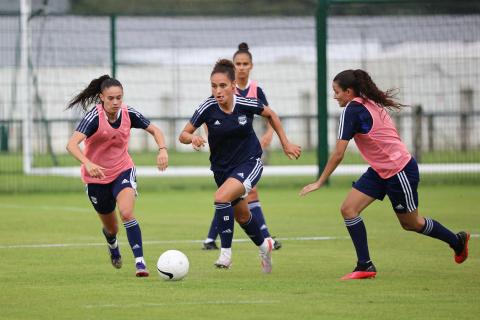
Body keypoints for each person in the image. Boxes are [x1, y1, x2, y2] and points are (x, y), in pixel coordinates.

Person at [300, 69, 470, 280]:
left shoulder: (351, 111)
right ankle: (365, 265)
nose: (334, 96)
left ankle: (457, 241)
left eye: (336, 91)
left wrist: (320, 181)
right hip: (381, 169)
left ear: (349, 91)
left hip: (399, 171)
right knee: (348, 209)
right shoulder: (368, 102)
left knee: (411, 223)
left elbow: (338, 153)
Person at [179, 59, 301, 273]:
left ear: (233, 86)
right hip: (221, 170)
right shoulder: (207, 107)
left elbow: (270, 114)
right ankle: (265, 247)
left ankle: (226, 254)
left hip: (250, 162)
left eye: (223, 85)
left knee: (220, 198)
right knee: (243, 216)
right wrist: (193, 138)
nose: (218, 90)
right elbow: (183, 134)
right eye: (214, 86)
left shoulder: (246, 103)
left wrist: (285, 143)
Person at [66, 75, 169, 277]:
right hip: (95, 179)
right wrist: (88, 163)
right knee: (112, 228)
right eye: (111, 98)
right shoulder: (93, 118)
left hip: (122, 170)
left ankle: (140, 263)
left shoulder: (128, 113)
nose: (115, 102)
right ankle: (112, 244)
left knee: (127, 213)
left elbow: (155, 129)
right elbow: (71, 145)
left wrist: (162, 149)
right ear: (101, 98)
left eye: (119, 98)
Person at [202, 42, 281, 251]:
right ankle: (261, 240)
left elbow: (269, 114)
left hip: (246, 154)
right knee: (229, 199)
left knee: (229, 195)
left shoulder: (255, 91)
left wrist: (270, 133)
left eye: (245, 63)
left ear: (251, 66)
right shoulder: (220, 90)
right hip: (224, 157)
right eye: (238, 63)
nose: (242, 67)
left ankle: (255, 238)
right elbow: (208, 118)